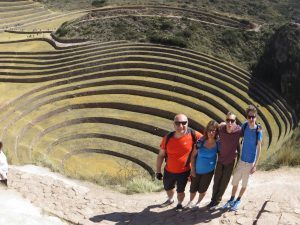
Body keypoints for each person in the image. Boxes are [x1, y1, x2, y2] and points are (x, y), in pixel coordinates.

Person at [156, 114, 202, 211]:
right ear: (174, 124)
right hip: (169, 170)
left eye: (184, 123)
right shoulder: (167, 138)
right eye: (178, 123)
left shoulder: (194, 135)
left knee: (180, 191)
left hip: (184, 171)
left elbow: (208, 138)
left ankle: (180, 203)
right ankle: (170, 199)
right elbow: (161, 155)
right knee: (168, 188)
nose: (181, 126)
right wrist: (158, 171)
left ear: (187, 123)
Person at [223, 105, 262, 211]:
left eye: (253, 117)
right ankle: (231, 199)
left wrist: (255, 165)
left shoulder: (258, 131)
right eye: (249, 117)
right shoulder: (244, 126)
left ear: (256, 117)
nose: (251, 119)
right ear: (246, 117)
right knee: (235, 182)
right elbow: (236, 133)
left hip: (250, 163)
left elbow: (259, 148)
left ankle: (238, 200)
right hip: (241, 160)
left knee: (244, 184)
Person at [207, 112, 243, 209]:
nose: (230, 123)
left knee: (224, 182)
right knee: (216, 181)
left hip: (231, 161)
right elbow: (214, 128)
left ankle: (217, 201)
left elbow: (248, 131)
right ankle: (212, 200)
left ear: (235, 122)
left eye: (232, 121)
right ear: (226, 120)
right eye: (228, 120)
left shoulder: (239, 131)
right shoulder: (221, 129)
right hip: (221, 159)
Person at [186, 120, 220, 209]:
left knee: (202, 189)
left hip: (208, 171)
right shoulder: (200, 142)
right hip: (197, 170)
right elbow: (193, 156)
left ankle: (198, 203)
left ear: (216, 132)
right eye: (210, 130)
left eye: (214, 130)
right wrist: (192, 170)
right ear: (206, 130)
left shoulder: (218, 143)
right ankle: (190, 202)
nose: (211, 132)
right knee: (192, 189)